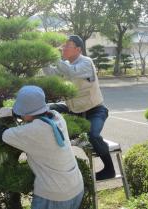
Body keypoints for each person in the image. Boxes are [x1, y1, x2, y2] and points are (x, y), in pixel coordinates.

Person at [0, 85, 84, 209]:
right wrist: (15, 112)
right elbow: (39, 112)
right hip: (76, 186)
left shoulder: (33, 131)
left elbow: (1, 134)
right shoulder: (56, 117)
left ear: (27, 113)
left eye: (21, 112)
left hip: (54, 197)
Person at [43, 35, 115, 180]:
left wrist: (53, 56)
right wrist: (43, 58)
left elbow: (71, 72)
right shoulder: (64, 64)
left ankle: (109, 169)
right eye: (63, 46)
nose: (63, 48)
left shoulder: (86, 62)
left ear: (78, 49)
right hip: (74, 110)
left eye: (67, 46)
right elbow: (50, 73)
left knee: (93, 135)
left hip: (95, 110)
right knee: (46, 109)